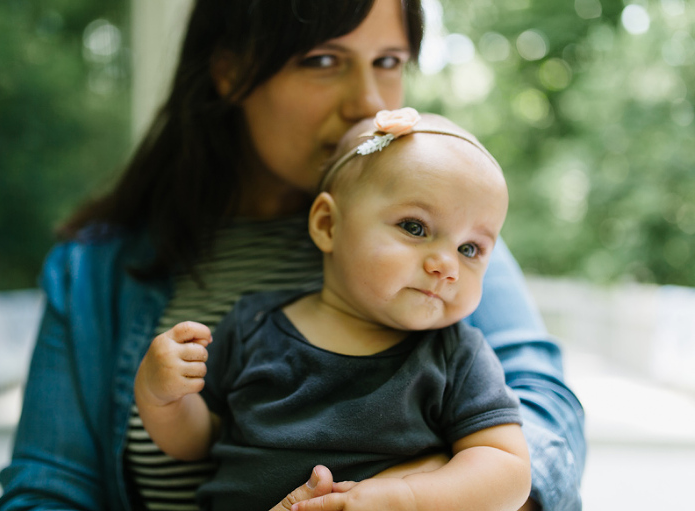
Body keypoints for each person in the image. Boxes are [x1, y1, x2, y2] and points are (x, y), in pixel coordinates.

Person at [0, 1, 585, 510]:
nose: (366, 101)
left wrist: (411, 493)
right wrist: (162, 396)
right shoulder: (101, 271)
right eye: (323, 61)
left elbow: (543, 422)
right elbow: (48, 487)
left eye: (388, 61)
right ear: (231, 70)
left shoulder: (448, 242)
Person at [134, 109, 532, 511]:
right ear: (328, 224)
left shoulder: (456, 355)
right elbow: (200, 440)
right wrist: (161, 397)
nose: (447, 265)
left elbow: (508, 469)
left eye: (470, 249)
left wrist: (408, 499)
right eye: (415, 227)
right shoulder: (252, 326)